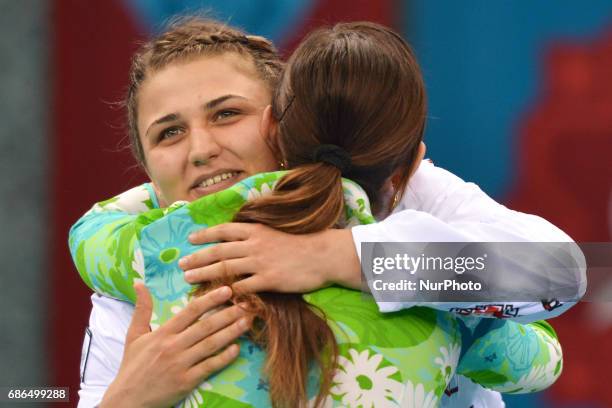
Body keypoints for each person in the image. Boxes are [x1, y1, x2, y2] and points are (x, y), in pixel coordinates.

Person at [70, 18, 581, 407]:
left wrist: (342, 257)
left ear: (282, 124)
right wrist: (128, 399)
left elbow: (558, 274)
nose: (200, 149)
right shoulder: (140, 268)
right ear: (147, 167)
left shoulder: (398, 188)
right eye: (169, 132)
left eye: (227, 114)